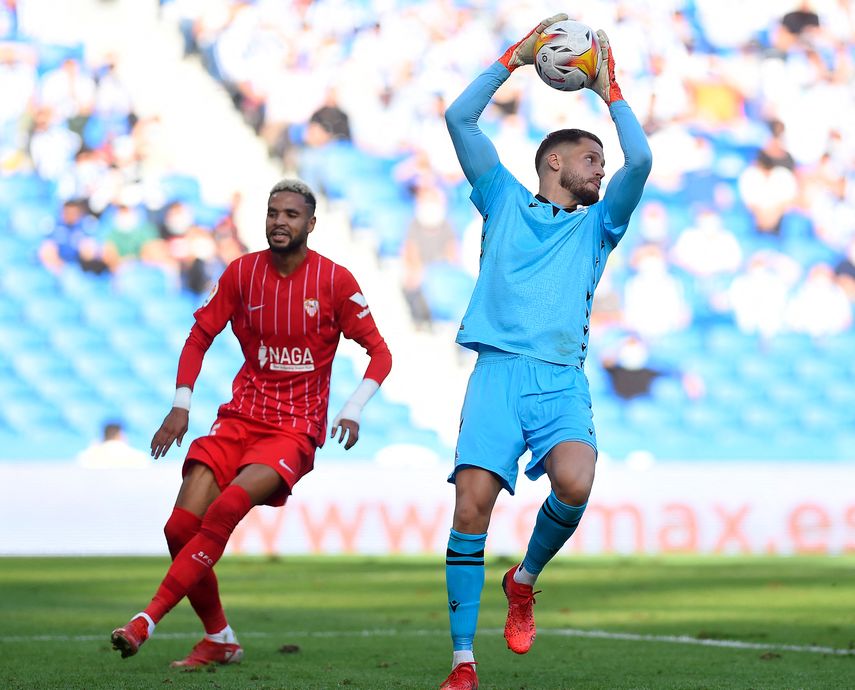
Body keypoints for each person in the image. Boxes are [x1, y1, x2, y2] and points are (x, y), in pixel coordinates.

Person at [438, 16, 652, 689]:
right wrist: (513, 58)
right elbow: (459, 119)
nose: (602, 169)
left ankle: (523, 578)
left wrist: (608, 90)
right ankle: (462, 664)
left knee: (576, 481)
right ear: (554, 163)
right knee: (470, 508)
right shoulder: (500, 198)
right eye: (592, 159)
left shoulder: (598, 226)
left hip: (560, 378)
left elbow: (641, 161)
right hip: (496, 373)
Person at [110, 179, 392, 667]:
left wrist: (353, 407)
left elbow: (380, 353)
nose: (279, 221)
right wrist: (181, 405)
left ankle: (145, 621)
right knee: (179, 530)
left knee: (224, 511)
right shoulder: (242, 274)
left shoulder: (335, 281)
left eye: (290, 214)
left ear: (310, 224)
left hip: (294, 429)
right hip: (240, 418)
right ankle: (220, 638)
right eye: (272, 212)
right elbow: (199, 335)